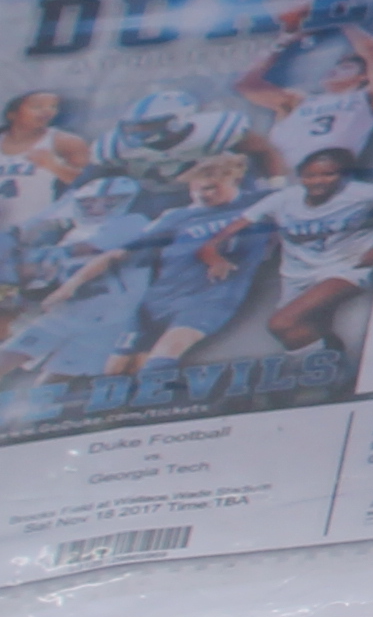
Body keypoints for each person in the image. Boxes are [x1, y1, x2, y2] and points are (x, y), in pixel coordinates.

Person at [100, 153, 277, 373]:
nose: (205, 194)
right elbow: (126, 252)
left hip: (211, 297)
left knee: (160, 360)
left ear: (235, 180)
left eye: (212, 187)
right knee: (118, 370)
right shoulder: (176, 217)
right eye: (198, 188)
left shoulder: (262, 203)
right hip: (161, 299)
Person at [0, 175, 156, 389]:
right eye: (89, 202)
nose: (97, 208)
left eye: (109, 202)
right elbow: (46, 272)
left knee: (53, 382)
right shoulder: (75, 233)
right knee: (10, 355)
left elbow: (92, 250)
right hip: (69, 311)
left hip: (109, 315)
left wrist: (30, 255)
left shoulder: (133, 221)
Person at [243, 147, 373, 361]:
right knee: (306, 330)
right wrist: (214, 252)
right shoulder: (286, 199)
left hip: (349, 265)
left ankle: (333, 367)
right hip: (301, 273)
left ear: (343, 175)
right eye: (310, 175)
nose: (318, 181)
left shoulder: (363, 193)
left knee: (282, 323)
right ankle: (335, 366)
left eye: (328, 174)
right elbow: (236, 226)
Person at [240, 17, 373, 176]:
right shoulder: (298, 100)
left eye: (345, 67)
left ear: (363, 77)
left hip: (328, 178)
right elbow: (246, 85)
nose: (334, 70)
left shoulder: (368, 97)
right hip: (284, 177)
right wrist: (282, 42)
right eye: (336, 66)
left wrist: (344, 21)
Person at [104, 84, 276, 201]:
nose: (140, 134)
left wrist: (275, 182)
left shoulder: (215, 131)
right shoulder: (119, 148)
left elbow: (262, 150)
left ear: (177, 121)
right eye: (135, 128)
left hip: (230, 198)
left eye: (148, 127)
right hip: (165, 202)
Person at [0, 90, 92, 231]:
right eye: (37, 106)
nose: (46, 111)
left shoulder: (65, 142)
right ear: (12, 114)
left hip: (39, 230)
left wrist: (54, 166)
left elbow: (91, 185)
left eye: (52, 107)